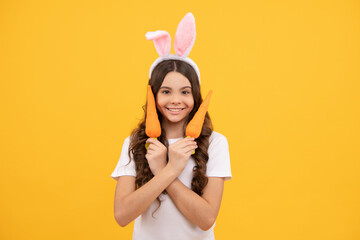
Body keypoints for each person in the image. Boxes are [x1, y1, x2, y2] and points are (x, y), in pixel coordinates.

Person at [111, 13, 231, 240]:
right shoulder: (135, 143)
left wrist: (166, 171)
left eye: (185, 92)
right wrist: (169, 170)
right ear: (153, 95)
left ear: (195, 96)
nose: (176, 100)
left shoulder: (215, 143)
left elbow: (206, 219)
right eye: (166, 91)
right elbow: (122, 215)